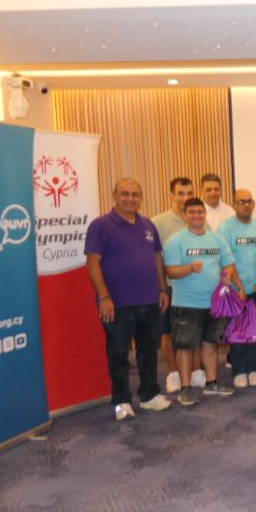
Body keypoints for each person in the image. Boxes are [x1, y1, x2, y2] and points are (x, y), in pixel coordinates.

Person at [85, 178, 174, 421]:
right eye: (125, 194)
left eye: (135, 194)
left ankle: (149, 395)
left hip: (150, 301)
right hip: (117, 304)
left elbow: (156, 258)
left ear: (140, 198)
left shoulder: (148, 225)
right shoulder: (100, 226)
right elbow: (92, 262)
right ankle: (121, 400)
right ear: (114, 195)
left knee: (149, 351)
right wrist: (104, 296)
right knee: (119, 355)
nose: (130, 198)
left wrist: (162, 289)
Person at [163, 197, 242, 406]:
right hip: (186, 304)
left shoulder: (217, 239)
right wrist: (188, 268)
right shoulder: (176, 241)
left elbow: (229, 265)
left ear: (205, 214)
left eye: (200, 212)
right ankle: (185, 388)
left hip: (214, 304)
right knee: (186, 347)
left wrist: (228, 274)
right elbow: (170, 271)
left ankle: (212, 383)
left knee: (211, 344)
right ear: (185, 215)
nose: (197, 215)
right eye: (192, 212)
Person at [152, 176, 203, 393]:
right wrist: (161, 288)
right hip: (170, 287)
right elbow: (155, 258)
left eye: (189, 193)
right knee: (168, 333)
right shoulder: (158, 222)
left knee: (195, 332)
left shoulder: (200, 219)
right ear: (171, 195)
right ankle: (173, 374)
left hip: (196, 288)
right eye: (180, 193)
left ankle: (196, 372)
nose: (185, 198)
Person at [217, 188, 256, 389]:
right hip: (235, 291)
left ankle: (253, 368)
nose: (245, 205)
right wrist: (238, 287)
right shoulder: (226, 228)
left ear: (253, 204)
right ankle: (238, 370)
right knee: (236, 331)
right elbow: (225, 260)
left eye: (249, 201)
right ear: (234, 204)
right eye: (241, 201)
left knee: (254, 329)